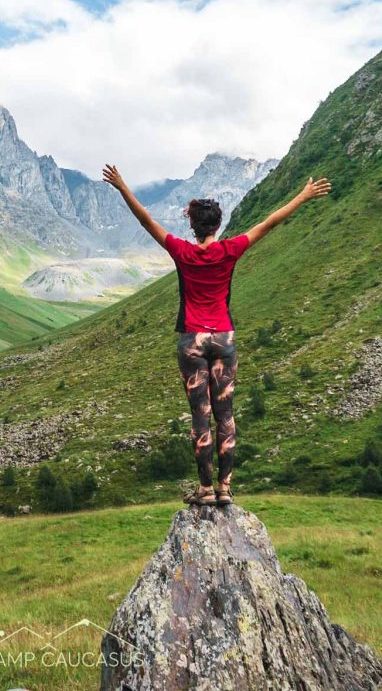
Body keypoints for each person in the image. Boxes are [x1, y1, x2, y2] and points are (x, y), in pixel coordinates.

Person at [101, 164, 332, 506]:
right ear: (218, 225)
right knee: (226, 415)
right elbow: (270, 222)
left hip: (192, 339)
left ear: (192, 226)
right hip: (224, 338)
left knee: (200, 416)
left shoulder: (183, 252)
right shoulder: (230, 250)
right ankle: (225, 488)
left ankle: (205, 489)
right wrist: (303, 195)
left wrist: (122, 186)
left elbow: (146, 221)